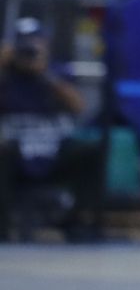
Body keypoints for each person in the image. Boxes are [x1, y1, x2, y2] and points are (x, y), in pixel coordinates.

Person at [0, 19, 102, 243]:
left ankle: (77, 221)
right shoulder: (6, 76)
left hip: (52, 150)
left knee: (91, 151)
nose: (28, 50)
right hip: (16, 152)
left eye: (33, 42)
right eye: (23, 44)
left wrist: (45, 73)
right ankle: (3, 228)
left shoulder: (56, 70)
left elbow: (78, 106)